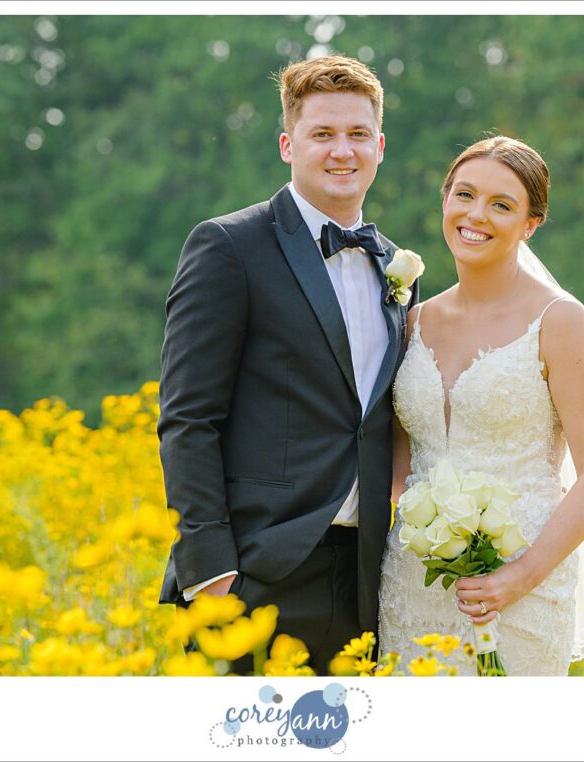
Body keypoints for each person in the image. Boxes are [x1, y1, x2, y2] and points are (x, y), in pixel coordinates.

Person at [157, 56, 418, 674]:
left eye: (357, 134)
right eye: (321, 134)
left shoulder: (395, 266)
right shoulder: (228, 246)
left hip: (365, 585)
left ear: (379, 146)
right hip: (254, 574)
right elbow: (187, 419)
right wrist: (212, 573)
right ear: (287, 144)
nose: (341, 151)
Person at [378, 136, 584, 675]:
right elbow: (399, 469)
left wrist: (521, 575)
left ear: (531, 223)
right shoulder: (413, 321)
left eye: (502, 205)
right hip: (413, 583)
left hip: (521, 588)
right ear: (444, 200)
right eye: (464, 195)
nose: (476, 215)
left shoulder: (561, 322)